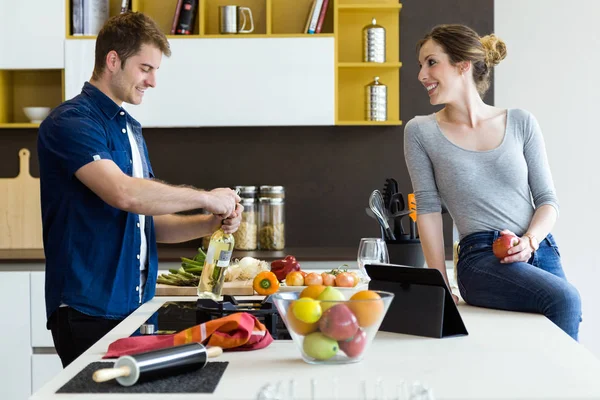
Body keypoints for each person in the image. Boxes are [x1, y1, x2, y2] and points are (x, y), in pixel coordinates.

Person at [37, 12, 243, 368]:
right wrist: (206, 198)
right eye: (145, 68)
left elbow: (147, 220)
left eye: (156, 71)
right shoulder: (70, 122)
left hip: (134, 308)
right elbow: (124, 193)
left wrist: (209, 224)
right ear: (113, 60)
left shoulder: (130, 129)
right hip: (88, 310)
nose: (153, 81)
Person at [403, 24, 581, 340]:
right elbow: (428, 210)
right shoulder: (421, 132)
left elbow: (547, 200)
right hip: (480, 257)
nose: (421, 75)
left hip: (538, 248)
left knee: (563, 319)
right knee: (565, 299)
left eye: (431, 62)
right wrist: (440, 283)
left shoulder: (521, 122)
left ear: (462, 65)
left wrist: (530, 242)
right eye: (421, 65)